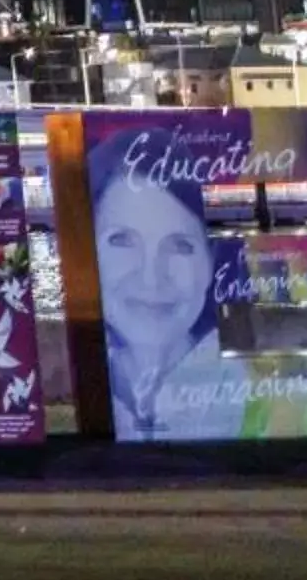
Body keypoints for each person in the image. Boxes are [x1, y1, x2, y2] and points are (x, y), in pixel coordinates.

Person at [87, 130, 230, 440]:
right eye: (122, 240)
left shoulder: (299, 408)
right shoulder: (60, 388)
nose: (152, 277)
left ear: (209, 263)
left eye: (180, 245)